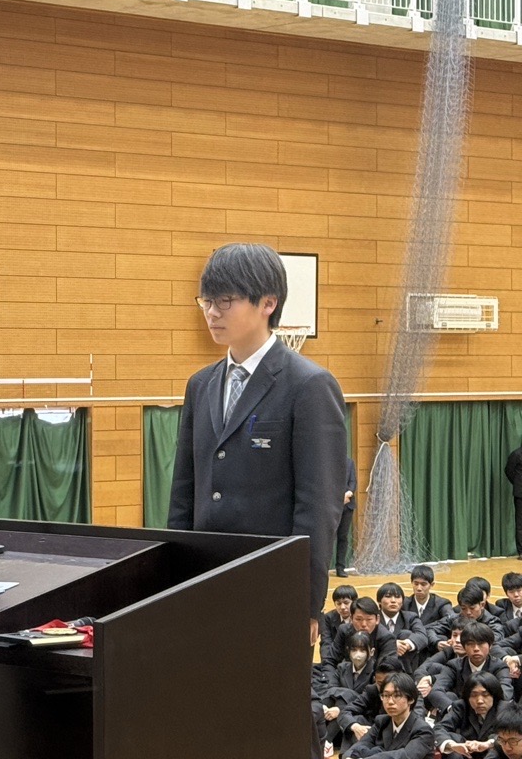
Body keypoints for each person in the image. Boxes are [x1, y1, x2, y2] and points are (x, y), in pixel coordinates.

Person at [167, 243, 347, 759]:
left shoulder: (308, 385)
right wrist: (173, 581)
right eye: (206, 300)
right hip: (205, 587)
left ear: (268, 303)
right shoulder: (201, 385)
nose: (212, 312)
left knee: (273, 720)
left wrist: (306, 603)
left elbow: (318, 508)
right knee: (212, 718)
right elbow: (185, 493)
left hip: (272, 592)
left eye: (225, 300)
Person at [343, 672, 434, 759]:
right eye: (386, 696)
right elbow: (357, 747)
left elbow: (404, 756)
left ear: (410, 699)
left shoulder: (423, 730)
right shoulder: (382, 722)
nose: (390, 702)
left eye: (397, 696)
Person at [433, 670, 506, 757]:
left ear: (494, 695)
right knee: (453, 738)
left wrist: (488, 744)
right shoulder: (461, 706)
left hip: (492, 755)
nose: (480, 701)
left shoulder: (505, 708)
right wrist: (453, 745)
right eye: (474, 695)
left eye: (485, 695)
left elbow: (512, 735)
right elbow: (439, 728)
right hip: (466, 754)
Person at [376, 582, 427, 673]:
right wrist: (392, 645)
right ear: (379, 601)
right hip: (379, 666)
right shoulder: (373, 618)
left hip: (405, 665)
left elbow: (422, 636)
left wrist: (406, 645)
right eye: (388, 596)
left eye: (397, 597)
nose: (393, 600)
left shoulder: (410, 617)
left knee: (406, 635)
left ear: (402, 601)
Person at [321, 584, 359, 662]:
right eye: (338, 603)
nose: (342, 607)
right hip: (336, 659)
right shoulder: (328, 618)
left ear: (354, 602)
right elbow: (326, 643)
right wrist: (327, 663)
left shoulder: (361, 617)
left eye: (346, 603)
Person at [335, 456, 357, 578]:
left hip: (347, 505)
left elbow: (353, 482)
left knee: (343, 537)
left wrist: (348, 493)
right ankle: (325, 567)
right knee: (329, 538)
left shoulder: (349, 462)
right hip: (332, 506)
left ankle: (340, 567)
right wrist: (338, 497)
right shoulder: (329, 462)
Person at [506, 444, 522, 560]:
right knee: (520, 523)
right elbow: (509, 471)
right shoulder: (516, 454)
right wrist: (517, 483)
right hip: (520, 494)